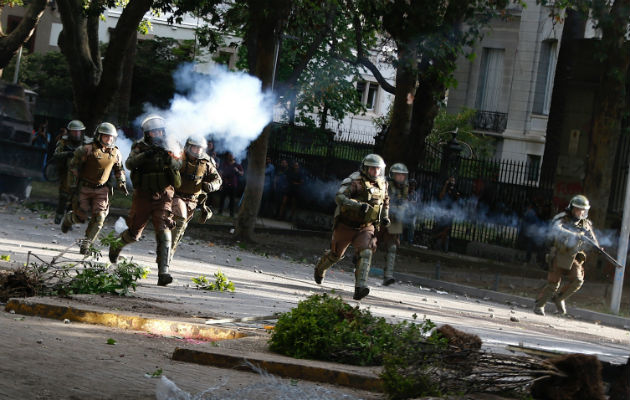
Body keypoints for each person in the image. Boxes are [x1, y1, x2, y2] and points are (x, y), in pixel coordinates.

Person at [108, 115, 183, 286]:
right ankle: (116, 246)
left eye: (159, 131)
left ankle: (163, 272)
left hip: (164, 195)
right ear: (147, 134)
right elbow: (129, 164)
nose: (156, 134)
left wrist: (168, 158)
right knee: (134, 233)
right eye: (153, 132)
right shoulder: (140, 146)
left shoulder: (171, 144)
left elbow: (179, 165)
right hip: (143, 195)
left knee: (164, 231)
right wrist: (145, 156)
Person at [313, 154, 390, 300]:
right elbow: (339, 197)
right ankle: (319, 269)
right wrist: (357, 205)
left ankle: (360, 288)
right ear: (366, 168)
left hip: (366, 227)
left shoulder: (382, 184)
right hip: (346, 225)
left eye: (378, 169)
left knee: (366, 253)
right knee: (336, 255)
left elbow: (385, 202)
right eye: (373, 169)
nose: (376, 172)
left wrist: (385, 217)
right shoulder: (354, 181)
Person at [60, 123, 126, 254]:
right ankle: (69, 219)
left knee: (100, 217)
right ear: (99, 136)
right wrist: (71, 184)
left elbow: (119, 169)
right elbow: (73, 167)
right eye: (106, 137)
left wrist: (121, 182)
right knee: (81, 216)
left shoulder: (116, 153)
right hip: (84, 187)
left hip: (102, 190)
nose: (109, 140)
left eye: (112, 137)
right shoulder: (86, 150)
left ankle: (86, 245)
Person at [533, 195, 599, 316]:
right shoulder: (562, 218)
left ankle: (559, 298)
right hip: (559, 254)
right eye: (578, 209)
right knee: (554, 283)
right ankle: (539, 305)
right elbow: (556, 228)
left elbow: (592, 239)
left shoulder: (586, 224)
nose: (581, 212)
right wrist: (574, 234)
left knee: (578, 280)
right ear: (572, 208)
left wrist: (597, 247)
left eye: (583, 210)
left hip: (574, 256)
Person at [170, 137, 222, 260]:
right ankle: (167, 252)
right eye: (195, 147)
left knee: (181, 228)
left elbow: (218, 180)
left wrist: (211, 186)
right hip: (176, 197)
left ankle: (169, 248)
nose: (198, 150)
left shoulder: (206, 163)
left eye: (200, 148)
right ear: (188, 147)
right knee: (180, 220)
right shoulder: (178, 158)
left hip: (192, 201)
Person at [378, 163, 409, 286]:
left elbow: (404, 207)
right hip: (381, 217)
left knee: (392, 247)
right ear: (392, 175)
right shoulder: (383, 184)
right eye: (398, 175)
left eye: (403, 175)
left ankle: (388, 275)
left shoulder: (405, 188)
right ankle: (360, 266)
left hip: (394, 219)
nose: (401, 177)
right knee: (369, 242)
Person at [53, 120, 85, 224]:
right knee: (64, 195)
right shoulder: (63, 142)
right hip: (67, 172)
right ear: (69, 132)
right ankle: (59, 215)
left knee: (76, 198)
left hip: (81, 173)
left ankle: (68, 219)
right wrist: (68, 153)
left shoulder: (87, 142)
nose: (77, 134)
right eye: (74, 132)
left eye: (79, 131)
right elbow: (56, 155)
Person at [434, 175, 459, 252]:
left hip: (450, 213)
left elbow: (456, 202)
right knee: (439, 229)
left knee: (446, 231)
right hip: (442, 212)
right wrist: (445, 185)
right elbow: (441, 196)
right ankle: (435, 244)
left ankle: (444, 248)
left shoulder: (455, 190)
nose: (452, 183)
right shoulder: (443, 188)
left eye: (453, 181)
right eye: (450, 181)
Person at [218, 152, 244, 217]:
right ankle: (220, 211)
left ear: (234, 156)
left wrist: (237, 170)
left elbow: (242, 173)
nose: (230, 157)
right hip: (225, 184)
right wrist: (220, 183)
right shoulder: (225, 163)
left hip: (233, 185)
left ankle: (231, 214)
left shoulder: (237, 164)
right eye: (229, 155)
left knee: (232, 200)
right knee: (222, 198)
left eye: (231, 155)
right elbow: (221, 173)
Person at [403, 178, 418, 245]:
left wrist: (408, 202)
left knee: (412, 227)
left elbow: (415, 202)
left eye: (413, 186)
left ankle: (410, 242)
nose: (412, 187)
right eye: (411, 185)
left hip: (412, 213)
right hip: (405, 212)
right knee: (402, 226)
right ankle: (400, 240)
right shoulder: (405, 192)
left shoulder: (415, 194)